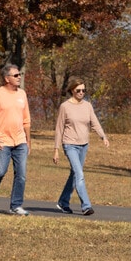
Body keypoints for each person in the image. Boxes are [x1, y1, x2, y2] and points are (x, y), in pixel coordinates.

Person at [53, 77, 109, 215]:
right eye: (78, 90)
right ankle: (86, 206)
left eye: (84, 90)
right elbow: (59, 129)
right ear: (72, 90)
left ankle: (63, 202)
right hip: (70, 144)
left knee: (74, 174)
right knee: (79, 174)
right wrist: (56, 150)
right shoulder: (65, 106)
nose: (81, 93)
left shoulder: (87, 105)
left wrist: (103, 136)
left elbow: (94, 122)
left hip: (84, 145)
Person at [0, 64, 31, 215]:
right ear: (6, 78)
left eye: (20, 74)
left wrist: (28, 141)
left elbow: (26, 120)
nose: (19, 77)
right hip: (3, 140)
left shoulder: (22, 94)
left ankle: (16, 205)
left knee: (21, 174)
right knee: (0, 171)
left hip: (20, 140)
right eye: (16, 75)